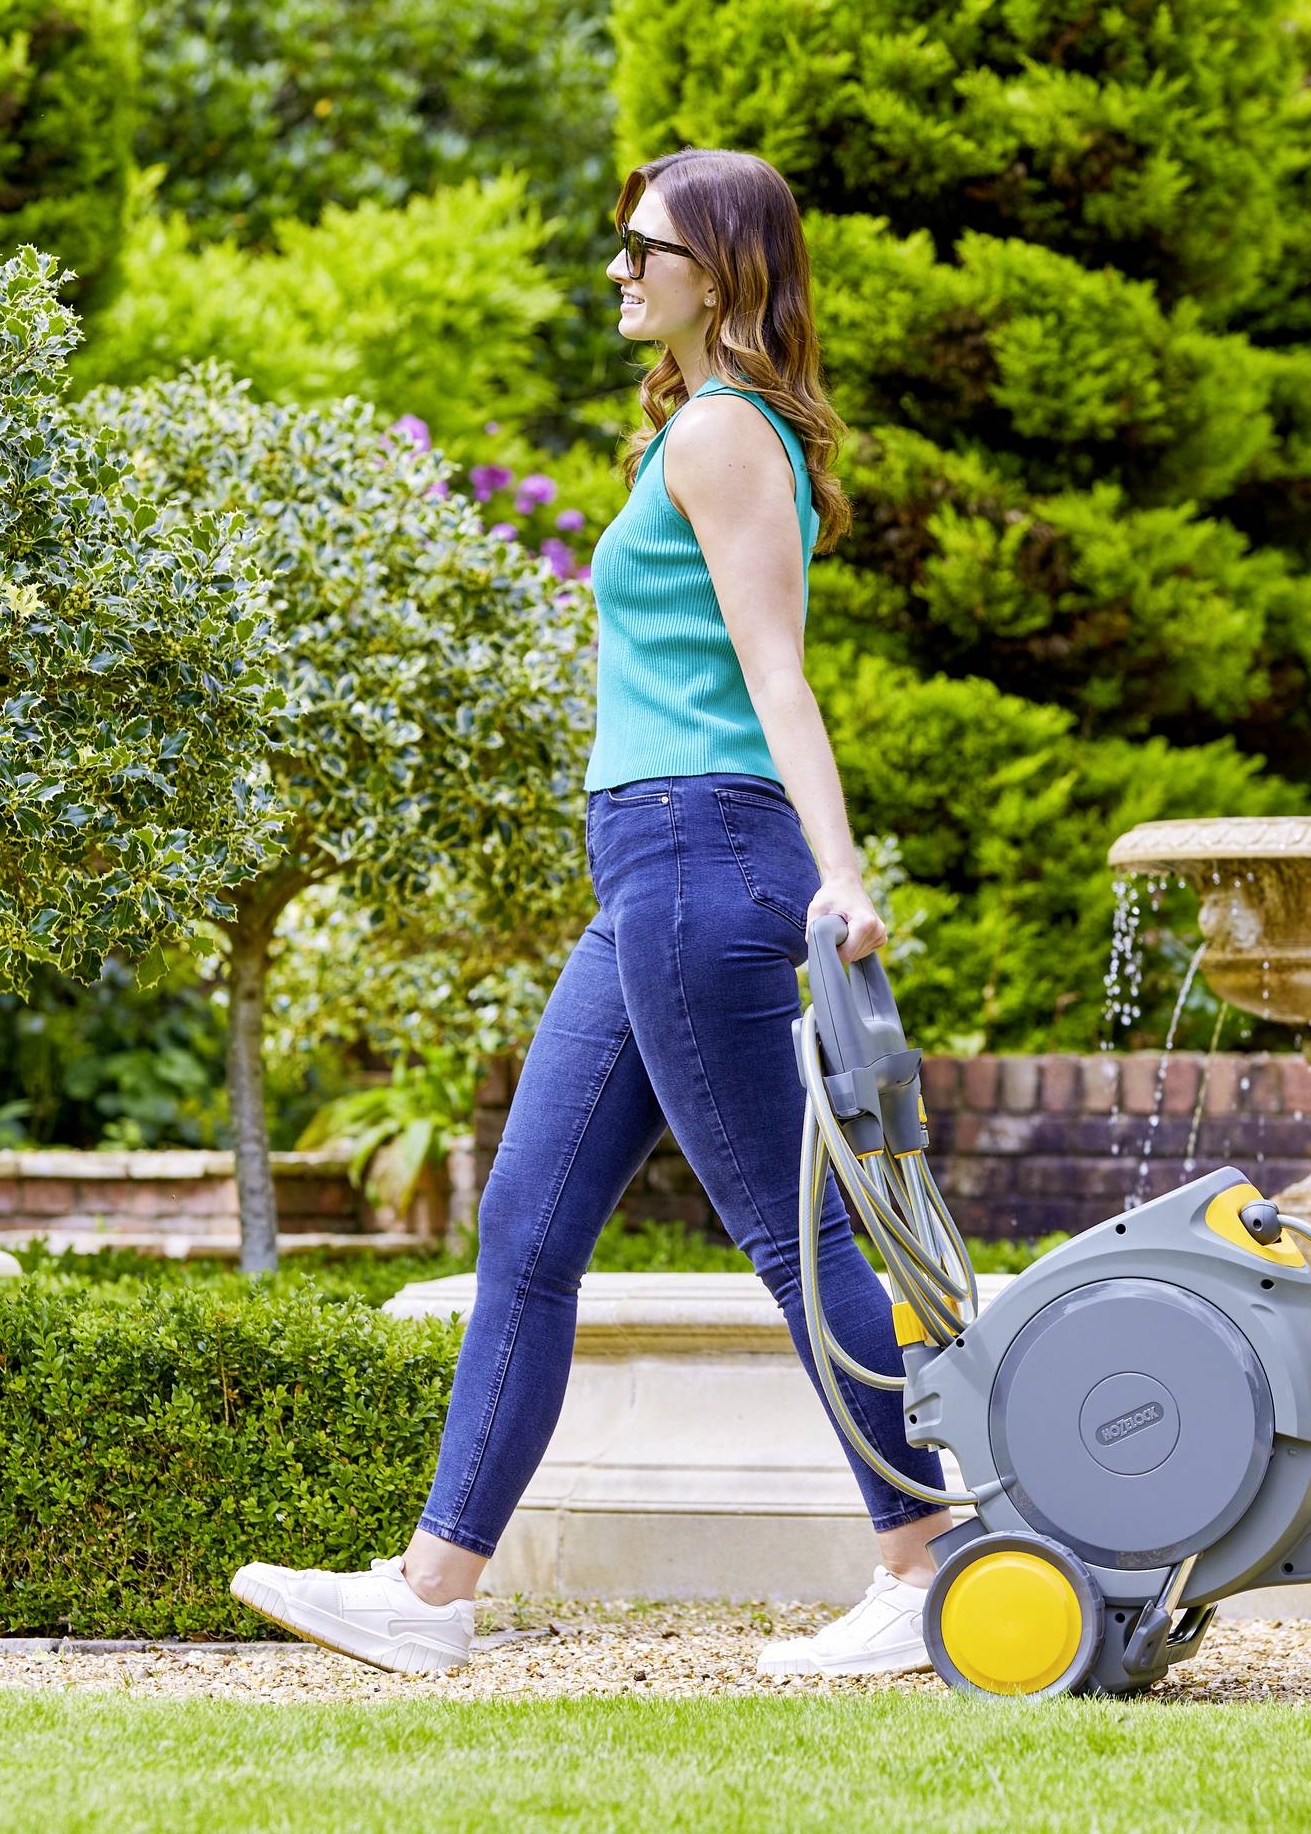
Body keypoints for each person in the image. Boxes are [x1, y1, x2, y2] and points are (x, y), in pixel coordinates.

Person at [230, 149, 951, 1677]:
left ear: (724, 273)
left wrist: (843, 868)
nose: (621, 272)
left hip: (704, 853)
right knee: (527, 1226)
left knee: (791, 1234)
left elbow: (776, 676)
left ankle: (924, 1563)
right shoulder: (691, 435)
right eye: (621, 246)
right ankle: (432, 1597)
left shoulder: (722, 435)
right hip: (653, 871)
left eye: (647, 250)